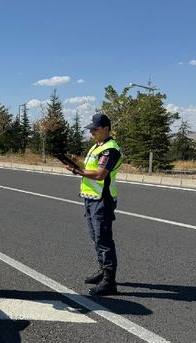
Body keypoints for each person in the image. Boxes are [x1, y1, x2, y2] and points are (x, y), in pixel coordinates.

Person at [66, 113, 123, 296]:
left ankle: (109, 281)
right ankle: (102, 270)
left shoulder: (110, 149)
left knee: (104, 239)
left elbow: (100, 174)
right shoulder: (97, 146)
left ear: (106, 128)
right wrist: (76, 163)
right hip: (91, 198)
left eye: (95, 129)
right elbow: (90, 168)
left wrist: (77, 171)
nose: (91, 132)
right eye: (90, 129)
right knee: (95, 236)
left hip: (102, 199)